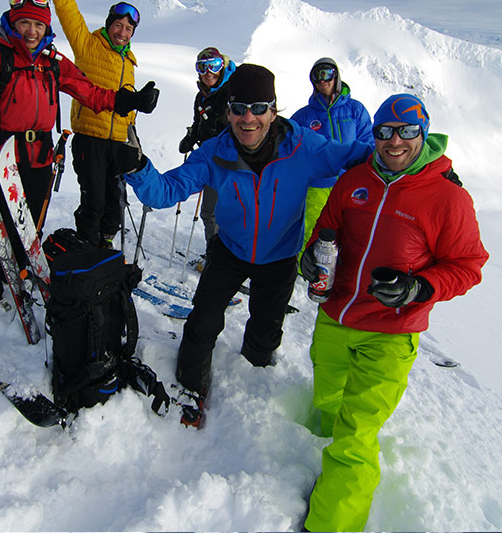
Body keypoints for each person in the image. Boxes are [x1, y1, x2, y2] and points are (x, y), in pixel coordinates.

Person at [117, 64, 372, 427]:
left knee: (265, 334)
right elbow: (167, 191)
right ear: (228, 111)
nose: (247, 118)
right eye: (238, 108)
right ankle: (190, 387)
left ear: (273, 109)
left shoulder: (303, 146)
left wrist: (422, 165)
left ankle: (252, 389)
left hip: (280, 258)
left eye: (258, 108)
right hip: (230, 251)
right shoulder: (214, 151)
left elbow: (356, 156)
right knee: (202, 323)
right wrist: (139, 167)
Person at [299, 94, 489, 531]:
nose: (395, 141)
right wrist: (309, 261)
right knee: (329, 405)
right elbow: (325, 235)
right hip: (335, 319)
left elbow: (468, 266)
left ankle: (330, 524)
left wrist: (419, 287)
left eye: (406, 131)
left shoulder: (448, 198)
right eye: (385, 131)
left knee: (355, 438)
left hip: (389, 334)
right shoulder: (355, 180)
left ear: (423, 134)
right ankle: (324, 472)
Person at [0, 0, 158, 304]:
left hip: (40, 155)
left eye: (38, 25)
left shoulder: (52, 61)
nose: (31, 31)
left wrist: (126, 100)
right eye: (24, 23)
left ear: (46, 27)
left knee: (30, 222)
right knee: (3, 223)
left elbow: (87, 91)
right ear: (12, 23)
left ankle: (18, 268)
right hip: (2, 154)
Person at [32, 0, 155, 249]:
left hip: (118, 143)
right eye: (119, 24)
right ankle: (87, 251)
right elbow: (64, 3)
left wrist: (135, 117)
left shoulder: (130, 62)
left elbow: (121, 103)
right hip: (90, 140)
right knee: (94, 203)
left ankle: (104, 249)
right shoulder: (87, 45)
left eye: (129, 28)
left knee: (115, 207)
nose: (123, 31)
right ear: (108, 23)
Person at [290, 57, 373, 253]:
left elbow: (369, 142)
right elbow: (291, 148)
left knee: (351, 228)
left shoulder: (355, 109)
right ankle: (306, 270)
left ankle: (343, 270)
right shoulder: (304, 116)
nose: (322, 80)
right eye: (317, 76)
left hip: (352, 182)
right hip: (317, 184)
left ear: (336, 76)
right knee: (312, 227)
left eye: (327, 74)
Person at [178, 47, 237, 247]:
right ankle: (219, 254)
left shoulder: (230, 93)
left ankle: (219, 257)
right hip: (209, 159)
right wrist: (191, 137)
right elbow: (198, 122)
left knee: (213, 212)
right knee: (213, 212)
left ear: (222, 68)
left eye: (213, 66)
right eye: (202, 68)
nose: (208, 73)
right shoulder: (201, 96)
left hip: (228, 161)